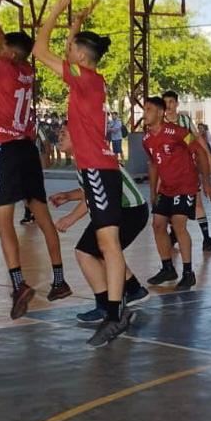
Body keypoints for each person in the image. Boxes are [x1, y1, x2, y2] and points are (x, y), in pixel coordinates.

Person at [0, 0, 70, 319]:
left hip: (6, 151)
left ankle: (19, 282)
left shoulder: (4, 68)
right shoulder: (25, 70)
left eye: (3, 49)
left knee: (3, 220)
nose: (0, 51)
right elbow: (4, 47)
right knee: (42, 216)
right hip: (27, 149)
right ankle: (59, 279)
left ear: (8, 54)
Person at [34, 0, 130, 347]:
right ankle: (110, 311)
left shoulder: (85, 79)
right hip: (100, 171)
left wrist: (57, 11)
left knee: (109, 245)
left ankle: (116, 313)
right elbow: (65, 52)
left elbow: (41, 51)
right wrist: (76, 24)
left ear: (80, 58)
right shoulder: (93, 79)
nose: (67, 51)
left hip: (100, 171)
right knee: (96, 248)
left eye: (72, 49)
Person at [50, 123, 150, 322]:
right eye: (58, 133)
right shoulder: (88, 157)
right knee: (104, 251)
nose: (59, 137)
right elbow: (91, 190)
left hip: (129, 211)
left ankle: (105, 306)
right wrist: (69, 196)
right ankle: (134, 289)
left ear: (78, 135)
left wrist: (70, 219)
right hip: (125, 209)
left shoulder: (89, 159)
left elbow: (95, 194)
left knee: (86, 252)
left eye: (63, 133)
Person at [143, 96, 211, 290]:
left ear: (160, 113)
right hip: (165, 187)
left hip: (185, 184)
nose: (145, 114)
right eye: (144, 109)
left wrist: (206, 181)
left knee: (178, 225)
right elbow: (153, 165)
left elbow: (199, 151)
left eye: (149, 110)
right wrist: (152, 191)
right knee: (158, 225)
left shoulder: (178, 132)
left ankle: (188, 273)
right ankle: (168, 268)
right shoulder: (147, 139)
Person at [162, 90, 211, 252]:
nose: (168, 105)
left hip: (187, 169)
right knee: (171, 206)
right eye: (165, 102)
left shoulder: (184, 121)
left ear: (177, 104)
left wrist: (208, 155)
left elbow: (197, 139)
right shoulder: (161, 123)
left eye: (171, 102)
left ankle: (206, 238)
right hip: (169, 170)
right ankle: (174, 235)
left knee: (197, 203)